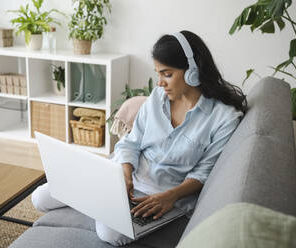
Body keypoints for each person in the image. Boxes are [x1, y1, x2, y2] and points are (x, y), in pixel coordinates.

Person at [31, 30, 247, 246]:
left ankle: (95, 201)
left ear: (192, 71)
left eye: (167, 74)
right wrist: (125, 172)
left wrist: (170, 197)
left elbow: (203, 172)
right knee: (39, 198)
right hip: (123, 177)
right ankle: (99, 198)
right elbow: (131, 142)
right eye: (158, 74)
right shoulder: (157, 98)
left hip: (158, 195)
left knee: (110, 233)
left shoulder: (224, 118)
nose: (160, 82)